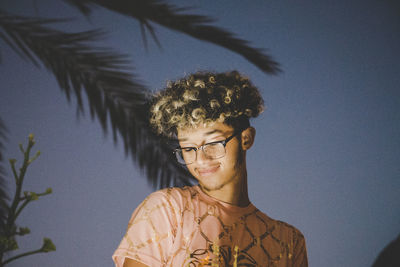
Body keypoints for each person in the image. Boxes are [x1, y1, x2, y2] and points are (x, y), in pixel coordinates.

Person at [113, 71, 308, 266]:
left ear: (246, 138)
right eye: (188, 148)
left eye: (213, 143)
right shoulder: (168, 210)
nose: (200, 159)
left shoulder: (288, 241)